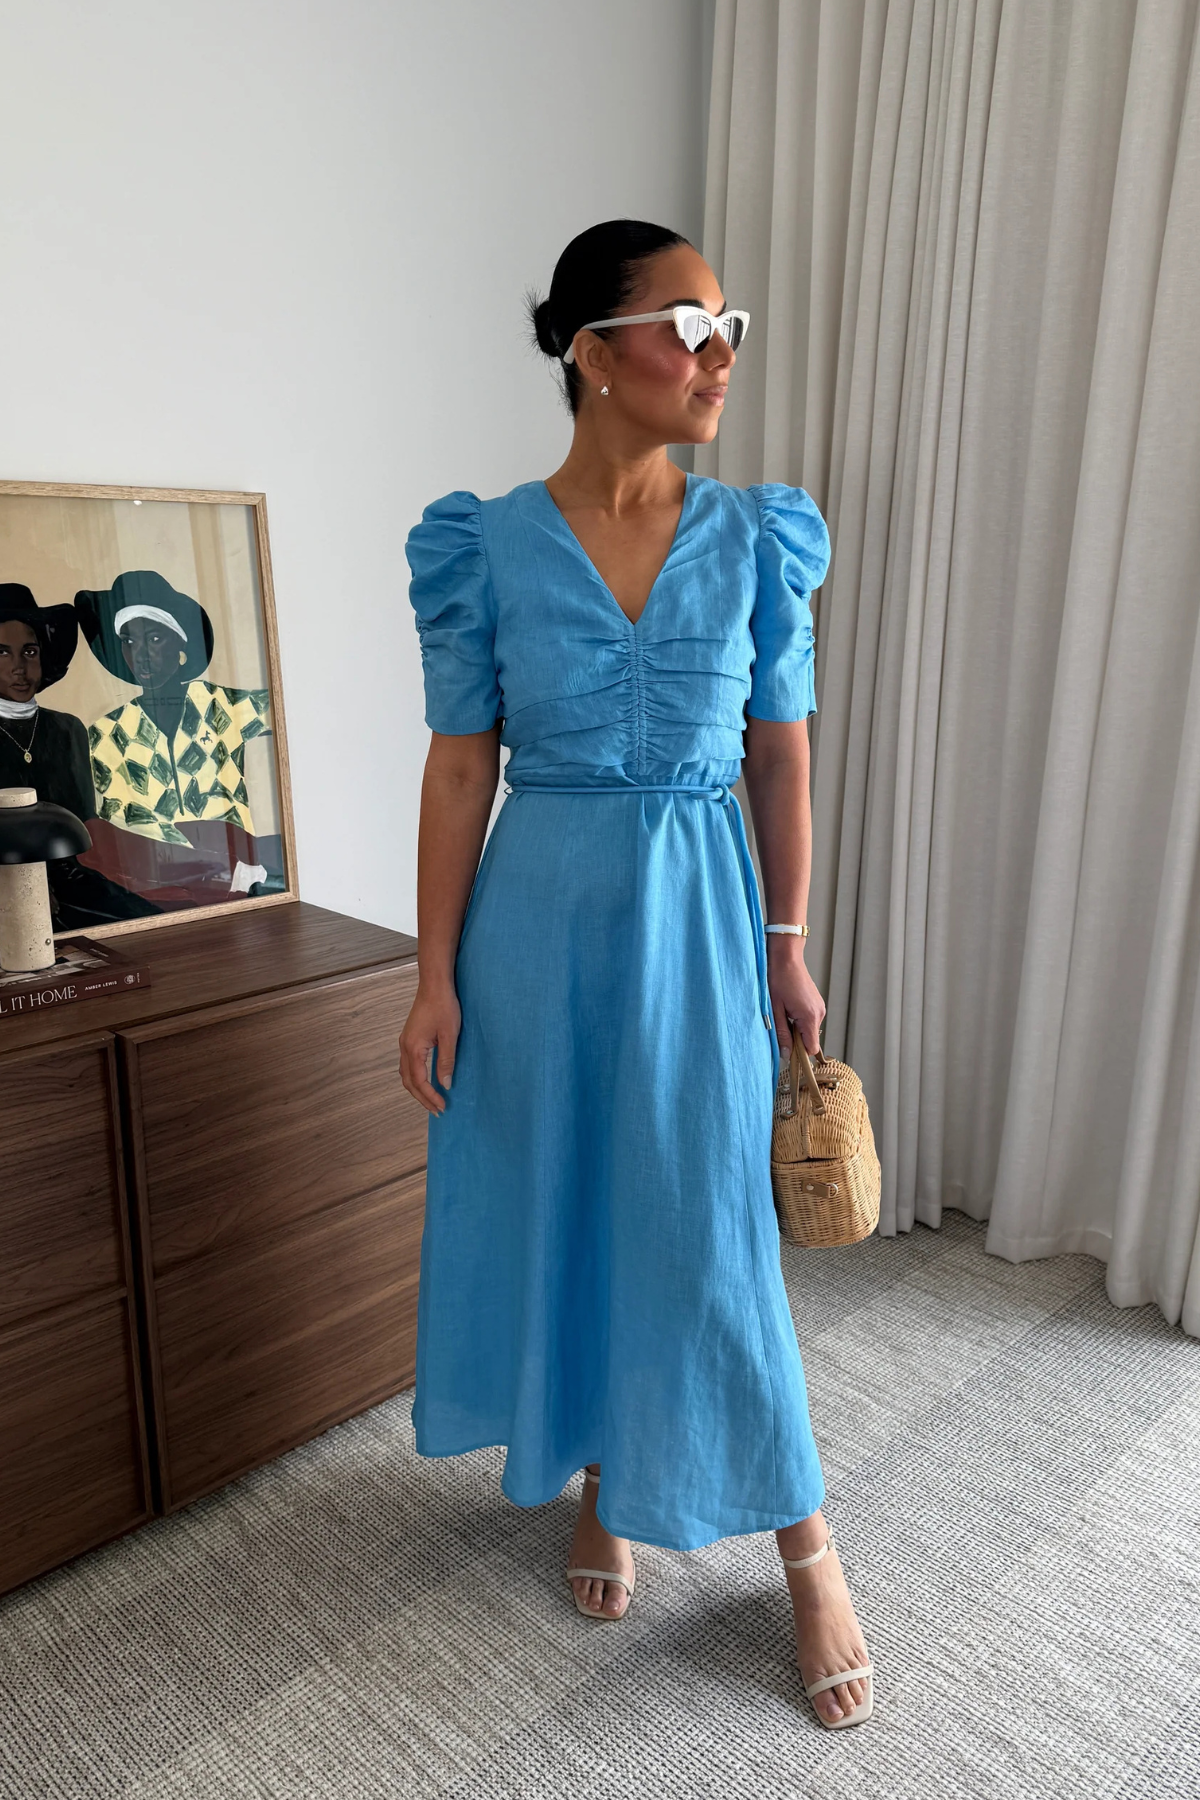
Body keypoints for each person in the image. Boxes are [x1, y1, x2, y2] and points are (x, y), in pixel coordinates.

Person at [399, 220, 873, 1729]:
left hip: (698, 919)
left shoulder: (757, 536)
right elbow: (461, 767)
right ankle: (603, 1477)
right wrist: (432, 974)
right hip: (535, 924)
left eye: (731, 324)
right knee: (572, 1203)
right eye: (687, 323)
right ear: (594, 353)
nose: (719, 353)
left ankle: (806, 1548)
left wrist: (788, 942)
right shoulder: (483, 544)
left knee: (708, 1229)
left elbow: (780, 757)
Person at [0, 583, 158, 928]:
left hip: (77, 875)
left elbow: (86, 824)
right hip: (8, 885)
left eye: (29, 652)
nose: (18, 668)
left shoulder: (67, 729)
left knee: (150, 922)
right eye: (2, 653)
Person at [75, 570, 272, 844]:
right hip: (155, 865)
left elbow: (288, 708)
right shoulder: (107, 733)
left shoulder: (218, 704)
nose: (140, 655)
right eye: (129, 642)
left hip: (237, 859)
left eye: (154, 639)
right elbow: (117, 820)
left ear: (181, 642)